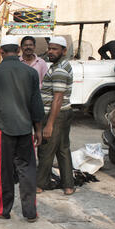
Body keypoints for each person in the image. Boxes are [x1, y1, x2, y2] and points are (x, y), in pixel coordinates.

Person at [0, 36, 44, 223]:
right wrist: (38, 130)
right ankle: (30, 212)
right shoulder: (30, 72)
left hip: (4, 129)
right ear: (18, 51)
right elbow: (37, 105)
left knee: (5, 170)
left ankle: (3, 210)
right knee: (27, 170)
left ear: (1, 52)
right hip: (25, 129)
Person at [36, 36, 75, 196]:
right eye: (49, 48)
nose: (50, 51)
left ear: (64, 51)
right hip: (64, 113)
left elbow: (57, 98)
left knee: (46, 148)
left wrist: (50, 124)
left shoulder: (59, 69)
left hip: (56, 115)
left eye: (55, 49)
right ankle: (68, 185)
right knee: (62, 148)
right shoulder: (61, 65)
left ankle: (39, 184)